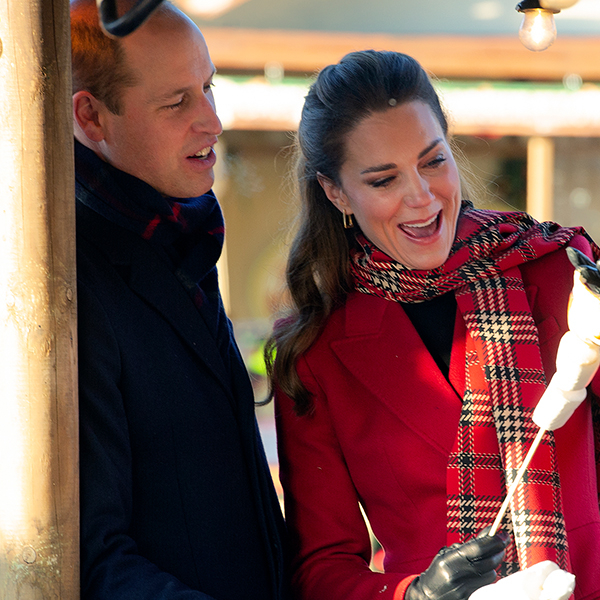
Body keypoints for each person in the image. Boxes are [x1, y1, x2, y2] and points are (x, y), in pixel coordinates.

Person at [266, 50, 600, 600]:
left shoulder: (561, 272)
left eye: (432, 161)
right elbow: (321, 569)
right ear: (335, 192)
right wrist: (414, 596)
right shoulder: (315, 354)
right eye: (383, 179)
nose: (421, 197)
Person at [71, 1, 288, 598]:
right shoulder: (65, 286)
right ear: (91, 117)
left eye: (208, 88)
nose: (213, 121)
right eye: (177, 103)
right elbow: (92, 561)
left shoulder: (175, 228)